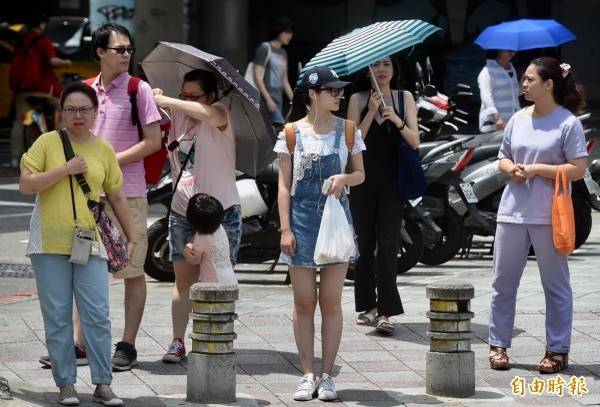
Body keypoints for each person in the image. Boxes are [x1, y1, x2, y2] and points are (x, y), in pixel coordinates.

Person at [19, 81, 136, 406]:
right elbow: (26, 185)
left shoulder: (103, 150)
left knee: (97, 314)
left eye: (84, 109)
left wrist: (132, 235)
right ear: (61, 113)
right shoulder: (46, 142)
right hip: (48, 243)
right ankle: (66, 384)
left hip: (90, 241)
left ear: (96, 113)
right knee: (57, 316)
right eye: (70, 109)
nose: (77, 115)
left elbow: (116, 195)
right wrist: (65, 169)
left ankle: (103, 383)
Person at [488, 57, 588, 373]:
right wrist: (512, 168)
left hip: (550, 215)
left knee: (555, 285)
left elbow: (578, 169)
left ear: (549, 85)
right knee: (503, 282)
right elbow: (503, 157)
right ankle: (498, 345)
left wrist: (535, 170)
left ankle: (557, 350)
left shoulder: (567, 123)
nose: (524, 83)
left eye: (530, 79)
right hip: (511, 211)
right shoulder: (517, 119)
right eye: (524, 78)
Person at [276, 66, 365, 401]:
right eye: (332, 91)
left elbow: (360, 175)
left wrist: (343, 179)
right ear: (312, 94)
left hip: (336, 221)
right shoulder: (291, 133)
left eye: (340, 91)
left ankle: (327, 376)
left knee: (330, 302)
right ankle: (307, 374)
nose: (338, 96)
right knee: (303, 303)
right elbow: (284, 186)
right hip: (300, 221)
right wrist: (285, 228)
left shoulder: (349, 130)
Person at [86, 22, 162, 371]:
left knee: (132, 270)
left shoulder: (138, 89)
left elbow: (153, 142)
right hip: (86, 197)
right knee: (82, 268)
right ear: (100, 52)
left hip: (127, 194)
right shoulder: (84, 92)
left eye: (130, 49)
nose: (127, 55)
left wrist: (110, 161)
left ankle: (127, 345)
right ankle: (79, 343)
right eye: (120, 50)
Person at [152, 68, 241, 363]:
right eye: (184, 94)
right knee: (183, 281)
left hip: (220, 212)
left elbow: (204, 113)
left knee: (218, 278)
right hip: (182, 211)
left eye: (194, 95)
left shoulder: (219, 113)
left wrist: (172, 102)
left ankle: (217, 339)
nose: (187, 99)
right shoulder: (175, 116)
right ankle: (178, 341)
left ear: (211, 96)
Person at [346, 57, 419, 335]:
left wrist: (396, 120)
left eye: (387, 64)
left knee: (388, 244)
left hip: (393, 183)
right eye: (375, 65)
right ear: (367, 70)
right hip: (362, 179)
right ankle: (368, 306)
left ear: (395, 68)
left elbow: (415, 141)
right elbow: (352, 143)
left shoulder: (404, 98)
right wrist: (371, 111)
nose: (382, 70)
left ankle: (387, 310)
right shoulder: (357, 98)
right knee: (364, 244)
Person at [9, 14, 72, 167]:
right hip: (42, 89)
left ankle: (14, 158)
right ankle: (60, 149)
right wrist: (66, 62)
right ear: (41, 25)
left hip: (22, 90)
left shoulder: (20, 42)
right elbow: (53, 61)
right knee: (64, 108)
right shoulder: (43, 41)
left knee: (19, 120)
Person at [183, 193, 238, 285]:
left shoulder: (202, 238)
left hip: (213, 283)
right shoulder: (220, 228)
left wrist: (186, 249)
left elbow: (195, 259)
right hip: (230, 278)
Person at [252, 17, 295, 125]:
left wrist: (295, 100)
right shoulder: (265, 48)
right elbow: (257, 76)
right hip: (265, 98)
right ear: (279, 32)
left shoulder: (283, 53)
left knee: (273, 132)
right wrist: (268, 100)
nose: (290, 36)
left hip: (278, 99)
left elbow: (285, 81)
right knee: (280, 126)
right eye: (287, 32)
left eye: (290, 32)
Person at [478, 50, 520, 132]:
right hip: (495, 124)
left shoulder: (512, 68)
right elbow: (486, 96)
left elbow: (514, 94)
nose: (511, 53)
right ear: (499, 50)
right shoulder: (488, 71)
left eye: (513, 50)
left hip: (510, 123)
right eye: (507, 50)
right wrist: (496, 118)